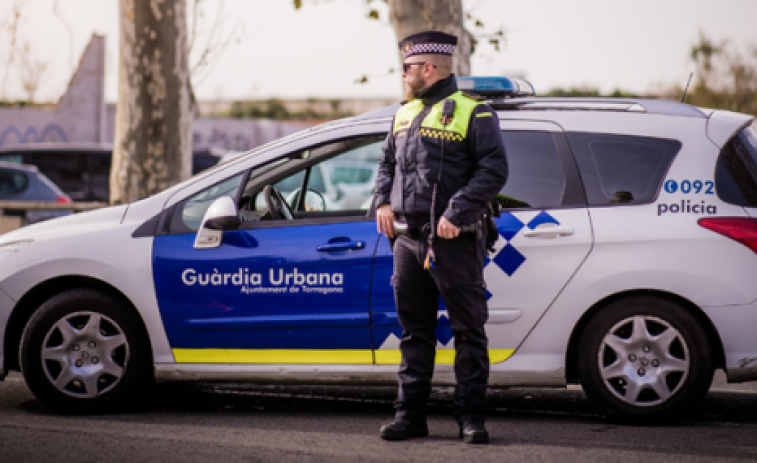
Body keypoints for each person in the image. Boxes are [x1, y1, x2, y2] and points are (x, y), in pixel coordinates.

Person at [373, 31, 508, 444]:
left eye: (408, 68)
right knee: (414, 333)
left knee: (468, 331)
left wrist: (457, 212)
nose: (403, 74)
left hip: (454, 240)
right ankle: (410, 418)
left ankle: (471, 419)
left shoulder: (474, 113)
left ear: (428, 68)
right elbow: (386, 165)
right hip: (407, 242)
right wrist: (381, 202)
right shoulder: (402, 114)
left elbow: (493, 170)